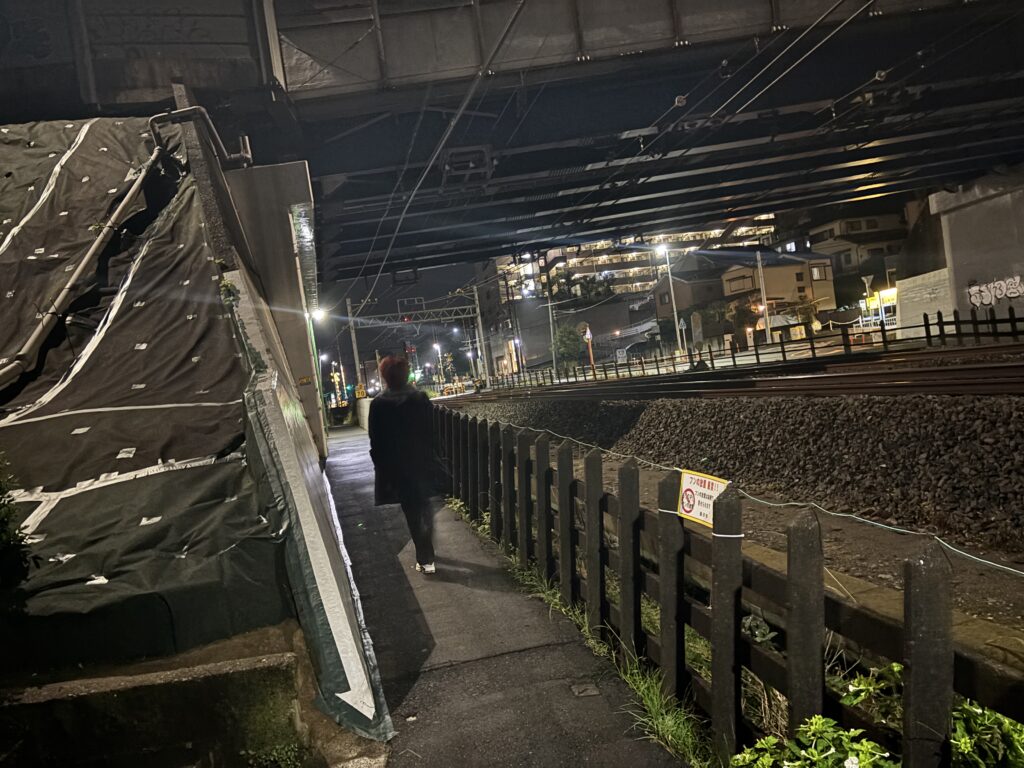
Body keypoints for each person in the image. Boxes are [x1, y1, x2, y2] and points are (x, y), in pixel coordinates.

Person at [368, 355, 438, 574]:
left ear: (385, 377)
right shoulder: (420, 398)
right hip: (422, 462)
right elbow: (432, 431)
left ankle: (425, 558)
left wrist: (382, 466)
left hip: (397, 468)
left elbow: (376, 441)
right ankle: (427, 548)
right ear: (406, 374)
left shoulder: (378, 404)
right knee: (424, 504)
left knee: (411, 510)